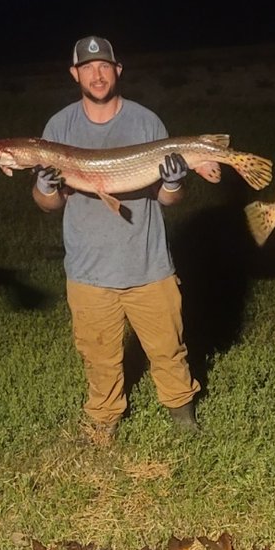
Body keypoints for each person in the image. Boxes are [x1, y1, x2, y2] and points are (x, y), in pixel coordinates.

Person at [35, 35, 200, 442]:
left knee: (168, 349)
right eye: (88, 67)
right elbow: (47, 204)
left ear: (117, 71)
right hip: (89, 270)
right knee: (98, 355)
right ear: (75, 74)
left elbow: (168, 198)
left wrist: (175, 182)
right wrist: (45, 186)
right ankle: (103, 422)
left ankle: (183, 418)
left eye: (104, 66)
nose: (97, 74)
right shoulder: (60, 126)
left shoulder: (146, 121)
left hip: (148, 264)